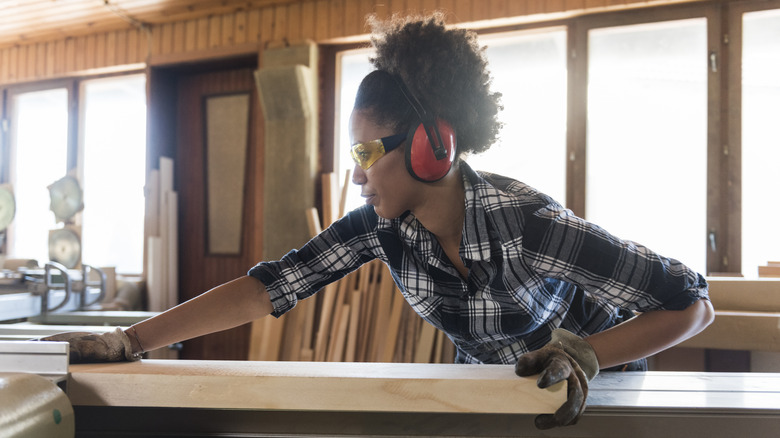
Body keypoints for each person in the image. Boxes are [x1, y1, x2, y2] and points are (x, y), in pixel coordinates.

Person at [43, 13, 714, 429]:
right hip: (501, 387)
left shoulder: (528, 224)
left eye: (368, 153)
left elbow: (692, 304)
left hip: (603, 386)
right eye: (352, 156)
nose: (358, 174)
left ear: (432, 146)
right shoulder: (381, 226)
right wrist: (129, 341)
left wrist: (587, 354)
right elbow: (269, 286)